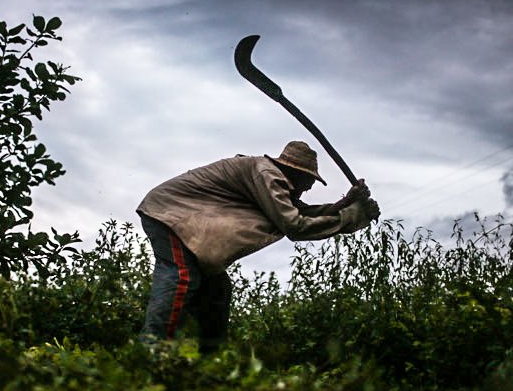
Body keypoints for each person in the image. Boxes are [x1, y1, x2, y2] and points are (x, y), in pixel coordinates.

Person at [136, 140, 380, 353]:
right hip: (170, 216)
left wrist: (347, 204)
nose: (309, 187)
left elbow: (301, 212)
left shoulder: (271, 182)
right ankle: (153, 352)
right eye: (309, 180)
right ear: (295, 173)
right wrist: (352, 216)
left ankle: (209, 364)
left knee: (216, 292)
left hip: (180, 222)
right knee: (182, 277)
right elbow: (295, 225)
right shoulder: (267, 174)